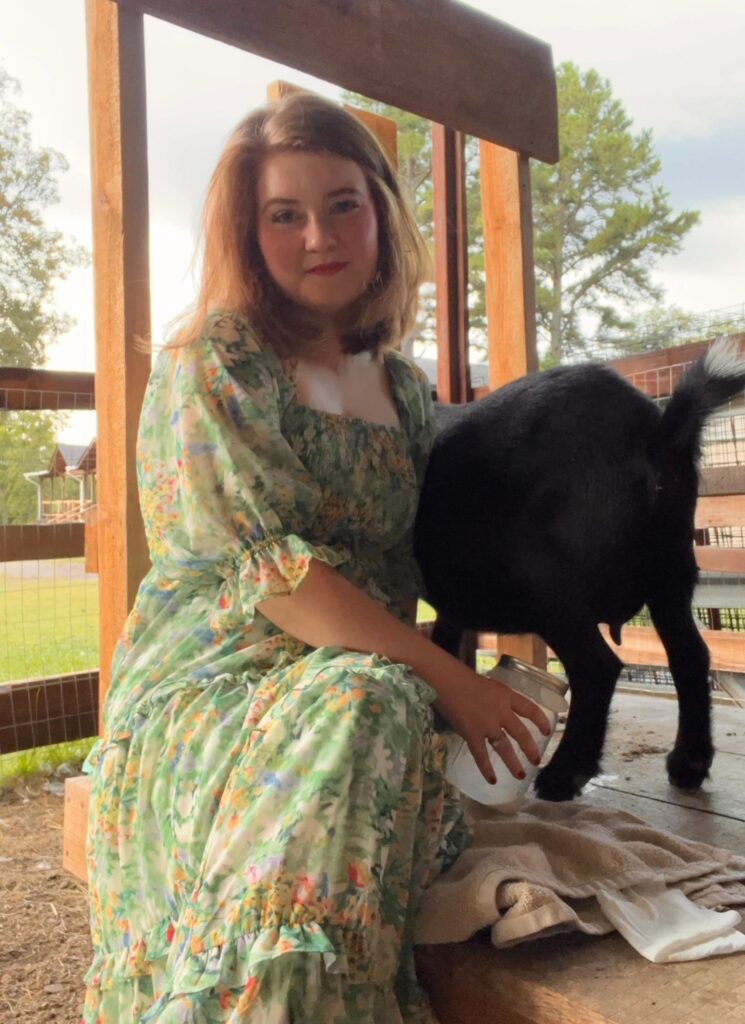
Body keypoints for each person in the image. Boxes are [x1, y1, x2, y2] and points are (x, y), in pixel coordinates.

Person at [82, 91, 550, 1024]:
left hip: (363, 663)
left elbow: (432, 553)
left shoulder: (406, 390)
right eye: (283, 214)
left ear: (380, 212)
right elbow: (269, 573)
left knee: (386, 698)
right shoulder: (217, 355)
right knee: (372, 698)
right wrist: (447, 681)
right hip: (220, 665)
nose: (317, 235)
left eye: (343, 204)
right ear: (247, 233)